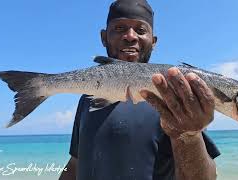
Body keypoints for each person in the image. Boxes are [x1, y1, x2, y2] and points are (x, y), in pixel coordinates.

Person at [59, 0, 220, 179]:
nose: (130, 36)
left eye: (141, 30)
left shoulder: (173, 96)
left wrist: (190, 135)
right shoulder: (89, 98)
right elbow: (75, 163)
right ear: (104, 37)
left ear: (153, 41)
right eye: (119, 28)